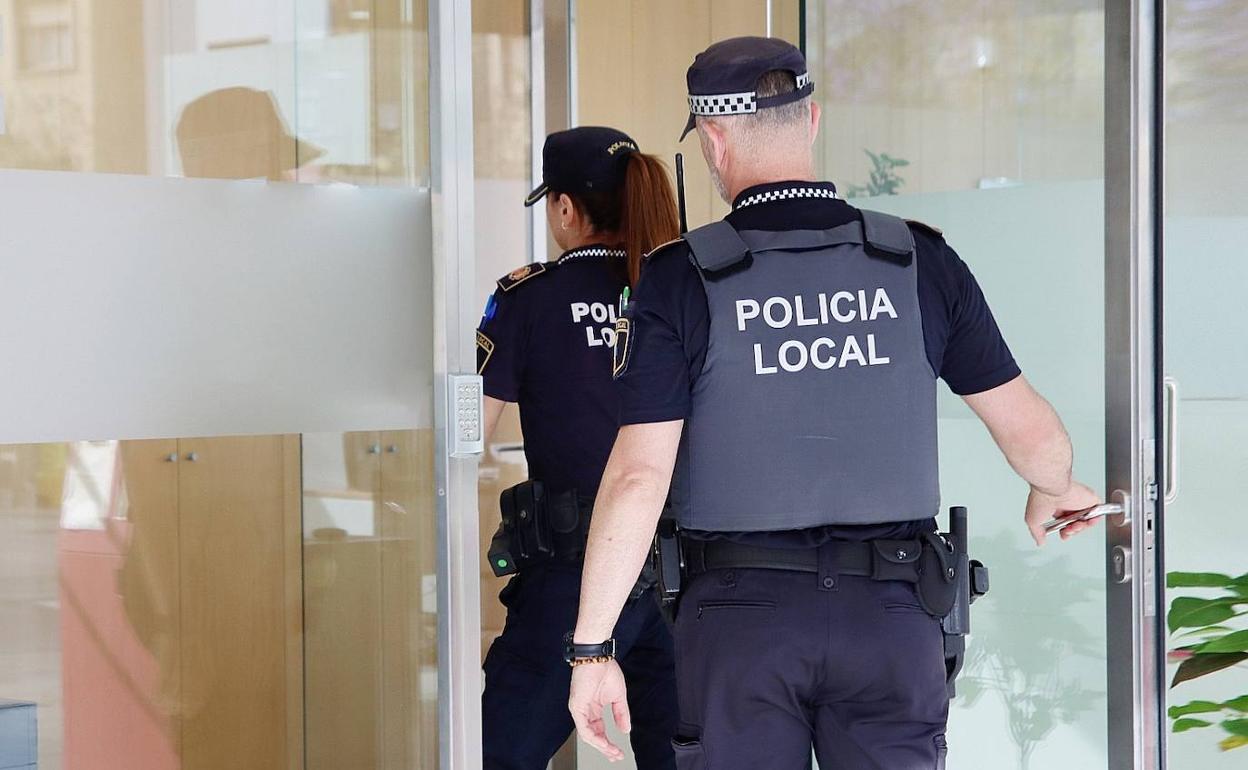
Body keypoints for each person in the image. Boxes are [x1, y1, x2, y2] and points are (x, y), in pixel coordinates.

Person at [565, 37, 1102, 769]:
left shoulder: (681, 279)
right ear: (811, 121)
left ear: (714, 139)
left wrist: (593, 648)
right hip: (892, 614)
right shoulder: (917, 261)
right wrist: (1055, 486)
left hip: (739, 624)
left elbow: (636, 478)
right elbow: (1029, 429)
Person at [477, 126, 682, 770]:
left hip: (571, 576)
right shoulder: (681, 291)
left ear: (566, 209)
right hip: (686, 573)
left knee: (498, 754)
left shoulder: (529, 300)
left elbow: (470, 431)